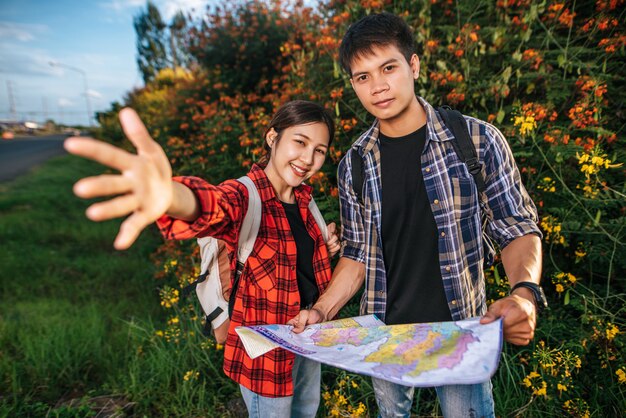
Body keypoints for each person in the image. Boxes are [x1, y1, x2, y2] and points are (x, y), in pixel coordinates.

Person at [289, 12, 544, 417]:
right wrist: (322, 310)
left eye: (388, 67)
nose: (378, 86)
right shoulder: (354, 164)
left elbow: (515, 226)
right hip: (385, 336)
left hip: (459, 330)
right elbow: (356, 256)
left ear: (413, 65)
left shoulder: (475, 140)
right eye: (362, 77)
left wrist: (523, 292)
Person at [64, 100, 341, 418]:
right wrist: (170, 196)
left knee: (307, 411)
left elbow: (297, 264)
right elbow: (212, 206)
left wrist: (326, 246)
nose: (308, 159)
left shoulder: (305, 200)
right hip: (266, 356)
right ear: (272, 137)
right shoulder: (244, 196)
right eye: (300, 142)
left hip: (309, 338)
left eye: (319, 150)